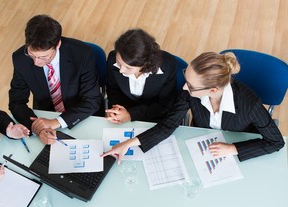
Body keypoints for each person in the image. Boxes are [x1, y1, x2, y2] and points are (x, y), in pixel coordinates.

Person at [102, 52, 285, 163]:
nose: (184, 88)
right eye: (186, 79)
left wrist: (233, 149)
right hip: (202, 144)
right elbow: (167, 125)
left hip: (234, 146)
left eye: (190, 85)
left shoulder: (249, 104)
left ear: (212, 90)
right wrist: (127, 144)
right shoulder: (190, 93)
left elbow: (277, 142)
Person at [8, 14, 103, 145]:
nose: (36, 62)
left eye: (44, 57)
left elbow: (91, 101)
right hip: (46, 113)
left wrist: (56, 122)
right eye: (31, 55)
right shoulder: (20, 59)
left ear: (57, 44)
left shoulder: (82, 54)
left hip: (82, 116)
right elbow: (16, 102)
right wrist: (36, 126)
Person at [105, 28, 178, 124]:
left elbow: (164, 104)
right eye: (119, 63)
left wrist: (131, 115)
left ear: (145, 64)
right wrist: (115, 111)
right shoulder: (112, 58)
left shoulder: (168, 65)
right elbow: (113, 90)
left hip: (154, 116)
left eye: (128, 67)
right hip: (123, 113)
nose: (121, 70)